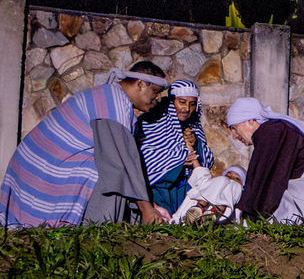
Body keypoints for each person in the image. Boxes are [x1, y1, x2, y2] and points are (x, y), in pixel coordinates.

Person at [1, 62, 169, 227]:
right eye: (156, 91)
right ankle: (100, 234)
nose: (158, 98)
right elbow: (120, 162)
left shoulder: (113, 96)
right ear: (140, 84)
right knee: (112, 174)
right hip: (41, 172)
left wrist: (150, 206)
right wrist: (147, 210)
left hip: (41, 169)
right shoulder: (113, 99)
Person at [227, 97, 304, 223]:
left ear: (250, 120)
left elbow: (267, 178)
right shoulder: (275, 130)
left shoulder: (271, 130)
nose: (234, 135)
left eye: (234, 127)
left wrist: (251, 216)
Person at [137, 79, 214, 214]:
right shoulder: (152, 122)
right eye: (182, 102)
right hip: (160, 190)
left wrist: (195, 143)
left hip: (186, 189)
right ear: (172, 102)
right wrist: (179, 161)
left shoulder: (195, 127)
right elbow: (145, 156)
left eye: (192, 104)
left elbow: (207, 160)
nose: (186, 109)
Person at [171, 165, 245, 224]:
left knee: (234, 186)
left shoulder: (238, 189)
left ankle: (214, 213)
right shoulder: (212, 182)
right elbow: (200, 172)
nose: (230, 179)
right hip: (201, 208)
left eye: (237, 178)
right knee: (221, 180)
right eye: (227, 176)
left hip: (223, 217)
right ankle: (197, 209)